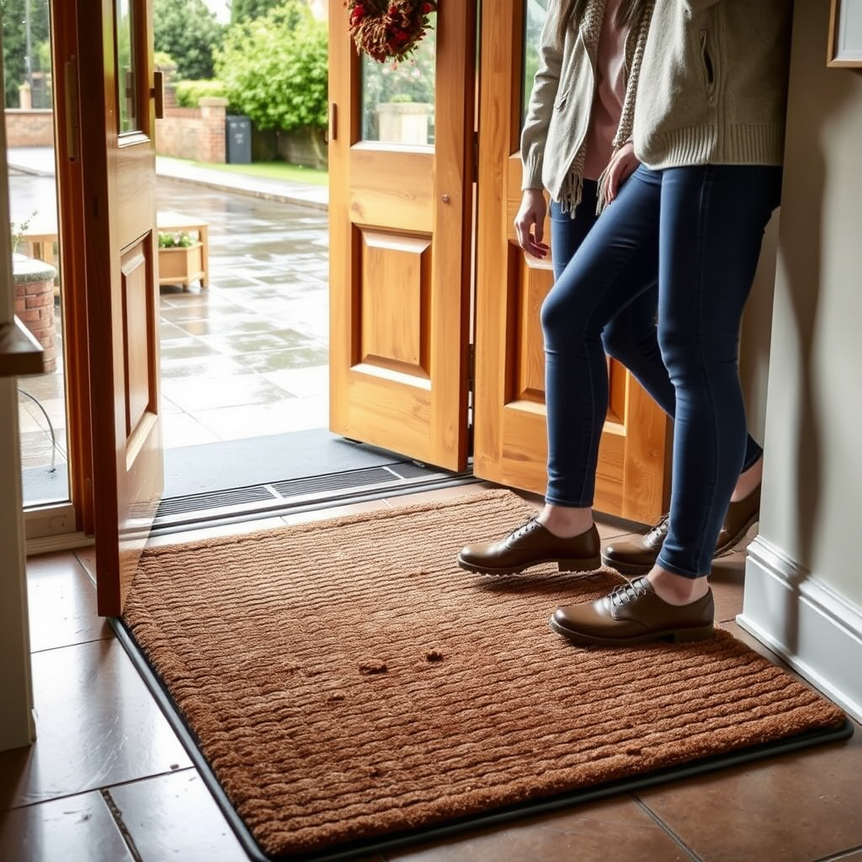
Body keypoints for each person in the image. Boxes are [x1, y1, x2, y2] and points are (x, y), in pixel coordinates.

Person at [461, 0, 793, 646]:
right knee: (572, 316)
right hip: (673, 137)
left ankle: (680, 585)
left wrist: (639, 133)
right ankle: (568, 516)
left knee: (693, 351)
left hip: (718, 137)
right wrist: (635, 137)